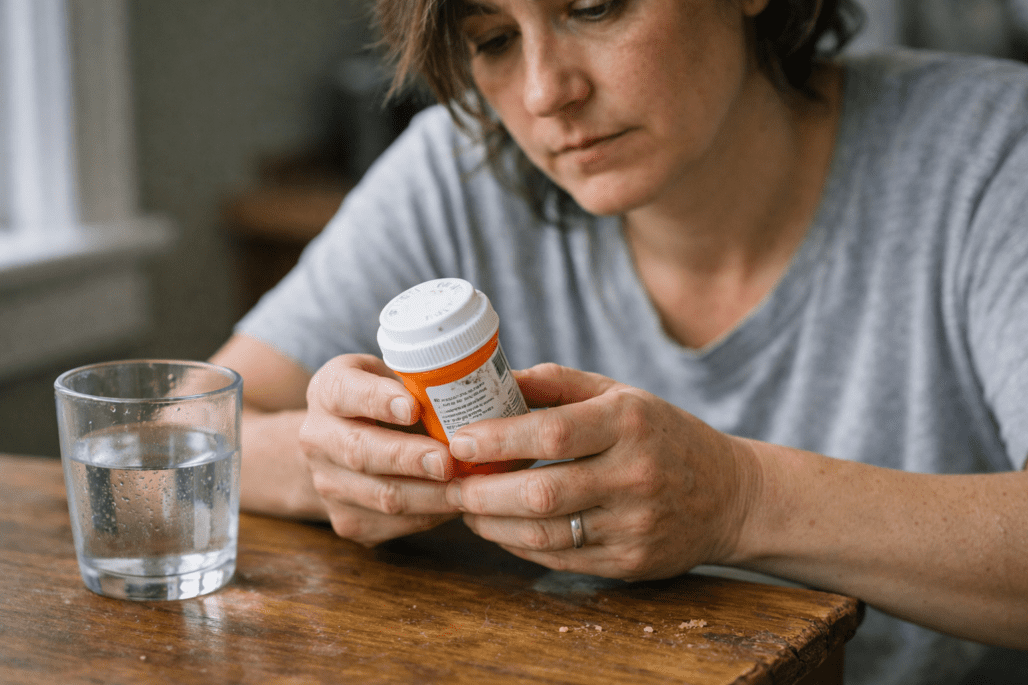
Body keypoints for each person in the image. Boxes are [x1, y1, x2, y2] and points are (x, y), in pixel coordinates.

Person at [210, 0, 1028, 682]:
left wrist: (739, 498)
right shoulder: (458, 174)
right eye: (494, 41)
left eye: (595, 5)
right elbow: (192, 426)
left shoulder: (992, 150)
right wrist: (334, 463)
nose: (544, 92)